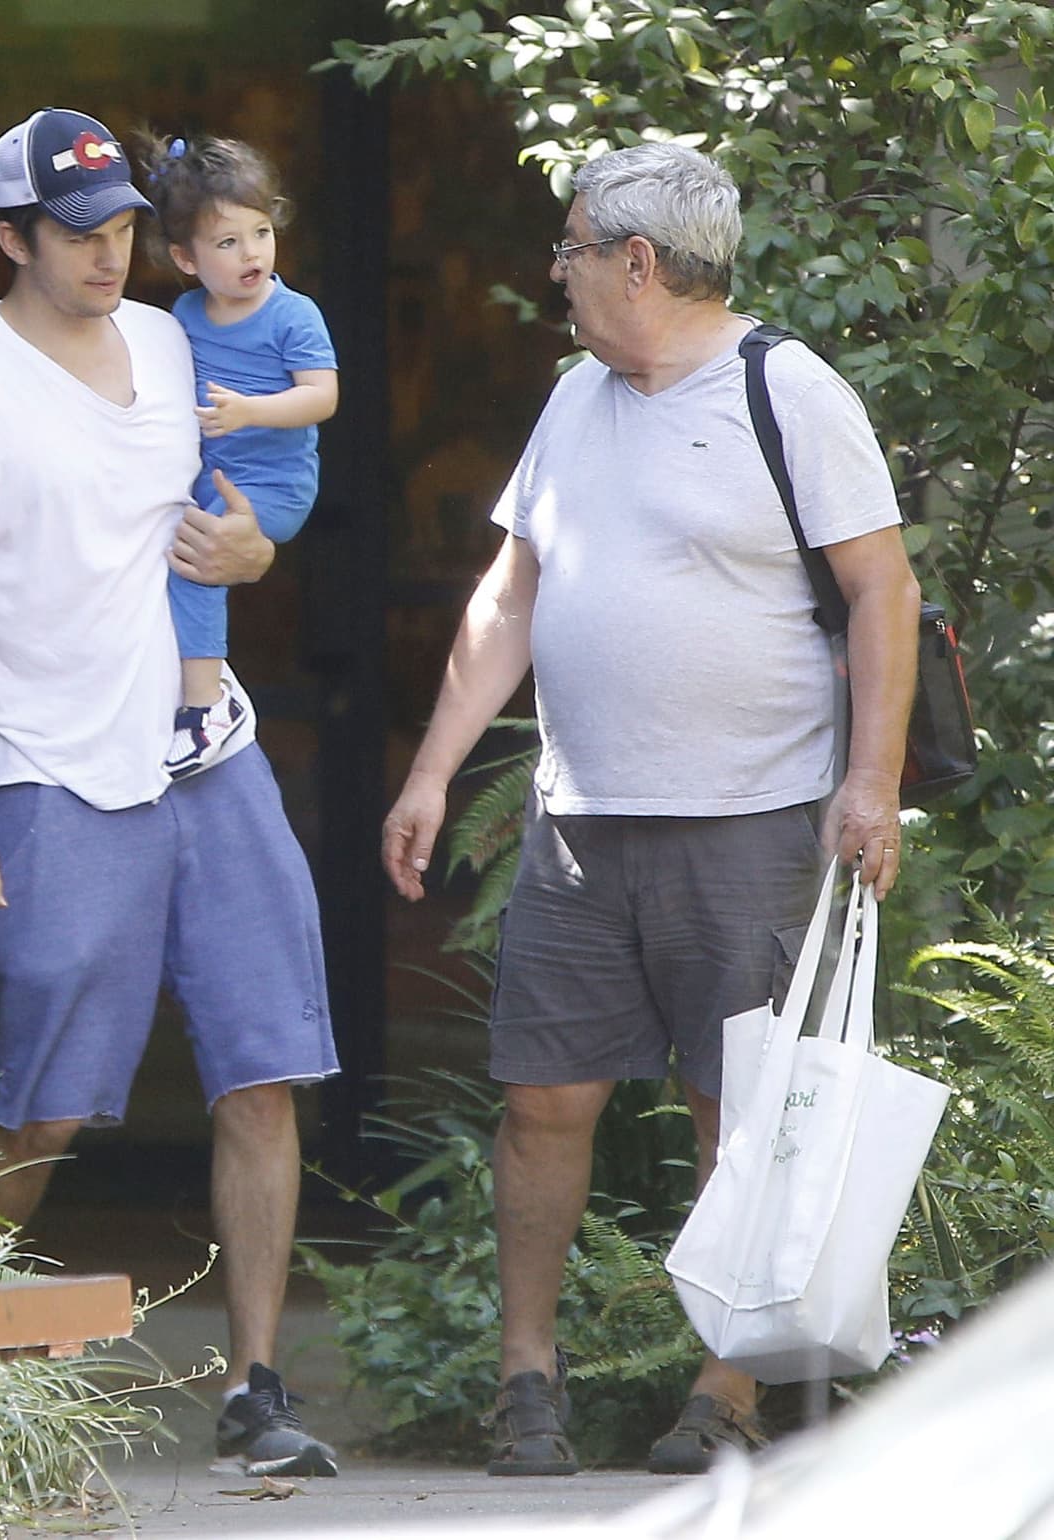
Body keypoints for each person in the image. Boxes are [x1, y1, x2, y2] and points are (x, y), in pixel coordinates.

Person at [381, 142, 921, 1478]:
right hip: (579, 820)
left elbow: (883, 595)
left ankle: (725, 1391)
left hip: (747, 819)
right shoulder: (576, 396)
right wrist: (434, 767)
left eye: (569, 248)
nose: (553, 270)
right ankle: (527, 1384)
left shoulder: (783, 390)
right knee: (542, 1100)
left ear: (636, 261)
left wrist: (871, 782)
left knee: (728, 1112)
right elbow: (511, 596)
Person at [0, 107, 342, 1479]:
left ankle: (257, 1389)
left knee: (264, 1068)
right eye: (79, 234)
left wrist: (252, 554)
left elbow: (226, 508)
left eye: (127, 226)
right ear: (11, 237)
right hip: (46, 773)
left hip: (209, 754)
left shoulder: (164, 336)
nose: (110, 254)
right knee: (47, 1102)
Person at [136, 131, 338, 778]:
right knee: (166, 549)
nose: (251, 252)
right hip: (212, 473)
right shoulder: (186, 314)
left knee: (195, 559)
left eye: (260, 232)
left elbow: (321, 398)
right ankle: (178, 685)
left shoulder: (293, 316)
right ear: (186, 259)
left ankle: (204, 707)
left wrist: (251, 410)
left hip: (271, 488)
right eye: (227, 242)